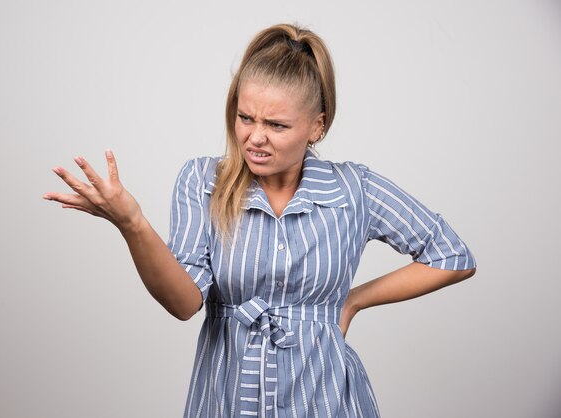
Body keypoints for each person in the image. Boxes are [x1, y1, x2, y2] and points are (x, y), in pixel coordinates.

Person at [44, 23, 476, 418]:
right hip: (228, 400)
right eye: (245, 117)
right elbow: (183, 303)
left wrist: (353, 300)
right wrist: (132, 223)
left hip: (325, 402)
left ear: (316, 127)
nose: (255, 137)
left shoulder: (352, 190)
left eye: (277, 124)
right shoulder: (203, 182)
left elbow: (453, 255)